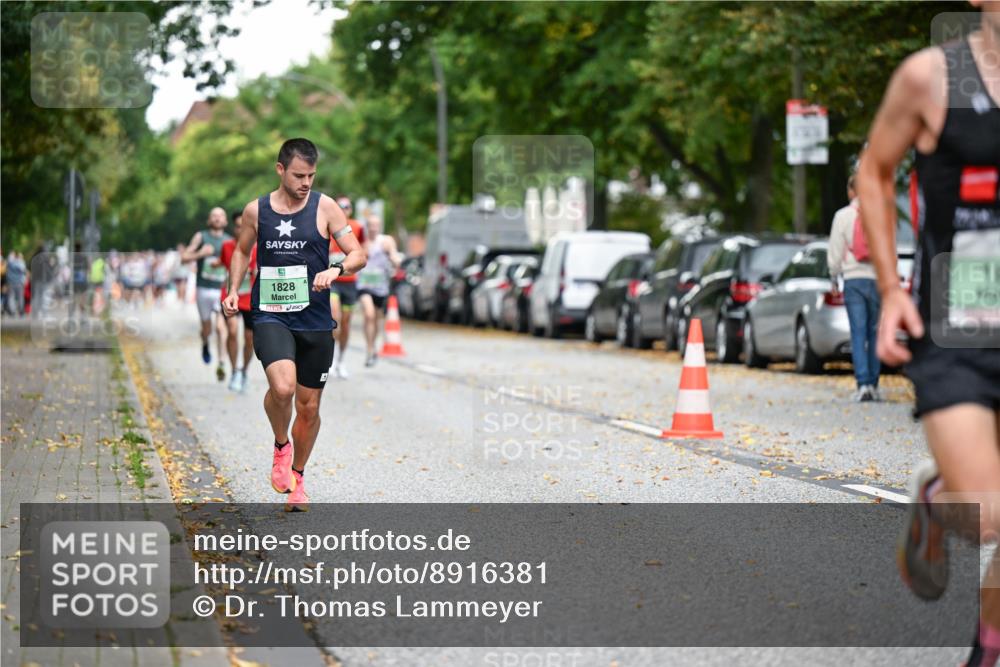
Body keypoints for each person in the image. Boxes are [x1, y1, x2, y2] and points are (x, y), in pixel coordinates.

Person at [857, 4, 1000, 665]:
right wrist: (889, 289)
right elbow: (875, 172)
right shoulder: (930, 77)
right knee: (988, 511)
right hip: (958, 325)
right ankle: (938, 497)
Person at [223, 138, 365, 512]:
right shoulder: (257, 211)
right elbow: (241, 251)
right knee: (283, 389)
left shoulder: (326, 207)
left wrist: (336, 269)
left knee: (310, 407)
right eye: (299, 175)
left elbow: (358, 254)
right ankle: (280, 445)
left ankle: (298, 480)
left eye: (312, 176)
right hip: (270, 313)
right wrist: (232, 290)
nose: (306, 183)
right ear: (280, 170)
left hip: (315, 319)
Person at [828, 175, 882, 401]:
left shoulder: (842, 216)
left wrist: (833, 277)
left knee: (858, 333)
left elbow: (835, 250)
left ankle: (862, 385)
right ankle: (875, 385)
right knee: (875, 332)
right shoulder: (879, 213)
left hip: (853, 279)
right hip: (876, 279)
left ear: (851, 192)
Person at [181, 207, 232, 382]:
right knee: (207, 329)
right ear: (209, 220)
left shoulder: (229, 241)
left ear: (225, 221)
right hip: (203, 289)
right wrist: (200, 253)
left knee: (220, 327)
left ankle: (221, 363)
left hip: (220, 289)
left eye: (221, 216)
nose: (217, 219)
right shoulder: (201, 236)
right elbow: (184, 257)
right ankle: (204, 342)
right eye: (214, 216)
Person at [356, 214, 402, 367]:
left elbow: (395, 258)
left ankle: (372, 346)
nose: (374, 228)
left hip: (381, 288)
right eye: (371, 225)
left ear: (380, 226)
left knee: (375, 319)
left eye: (376, 225)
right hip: (364, 285)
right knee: (368, 314)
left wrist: (394, 259)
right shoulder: (361, 242)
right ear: (367, 226)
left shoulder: (386, 241)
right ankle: (369, 349)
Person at [220, 209, 258, 393]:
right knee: (233, 332)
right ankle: (234, 370)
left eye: (244, 226)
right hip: (231, 297)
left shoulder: (258, 247)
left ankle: (244, 371)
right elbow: (222, 267)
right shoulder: (227, 246)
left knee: (250, 339)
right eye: (237, 227)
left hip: (250, 299)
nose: (241, 230)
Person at [328, 196, 366, 378]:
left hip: (349, 282)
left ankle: (341, 361)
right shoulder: (328, 224)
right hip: (333, 280)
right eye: (340, 206)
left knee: (346, 323)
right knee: (335, 318)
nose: (343, 209)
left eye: (347, 207)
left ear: (351, 210)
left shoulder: (357, 226)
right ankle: (332, 359)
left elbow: (362, 250)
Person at [5, 251, 27, 317]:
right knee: (20, 297)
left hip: (11, 282)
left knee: (11, 297)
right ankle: (21, 311)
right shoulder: (21, 263)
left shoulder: (10, 263)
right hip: (19, 282)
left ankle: (12, 311)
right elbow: (24, 271)